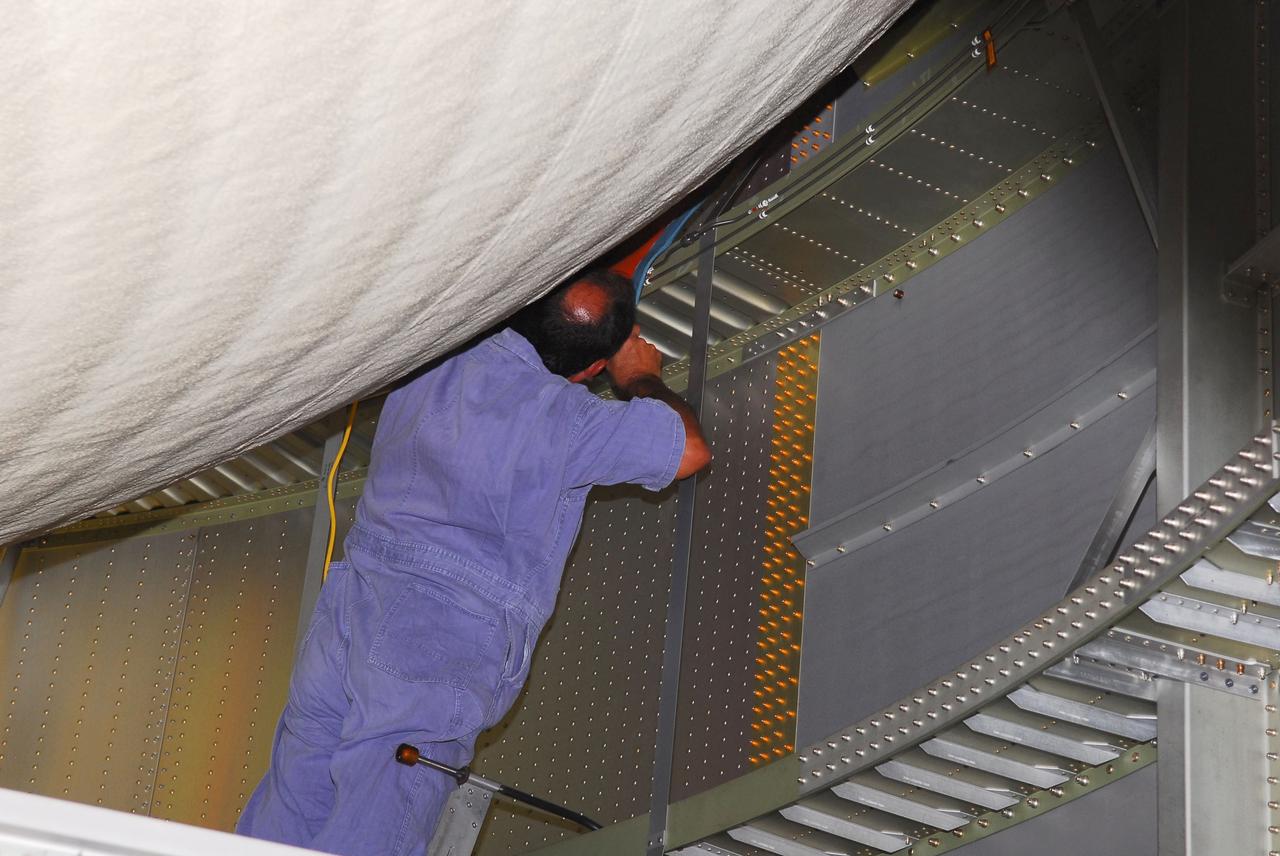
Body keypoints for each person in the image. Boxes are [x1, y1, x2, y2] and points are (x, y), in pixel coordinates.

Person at [236, 268, 711, 855]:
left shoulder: (435, 352)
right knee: (382, 806)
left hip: (353, 604)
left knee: (299, 780)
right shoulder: (569, 420)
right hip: (442, 634)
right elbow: (688, 449)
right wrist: (640, 376)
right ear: (591, 371)